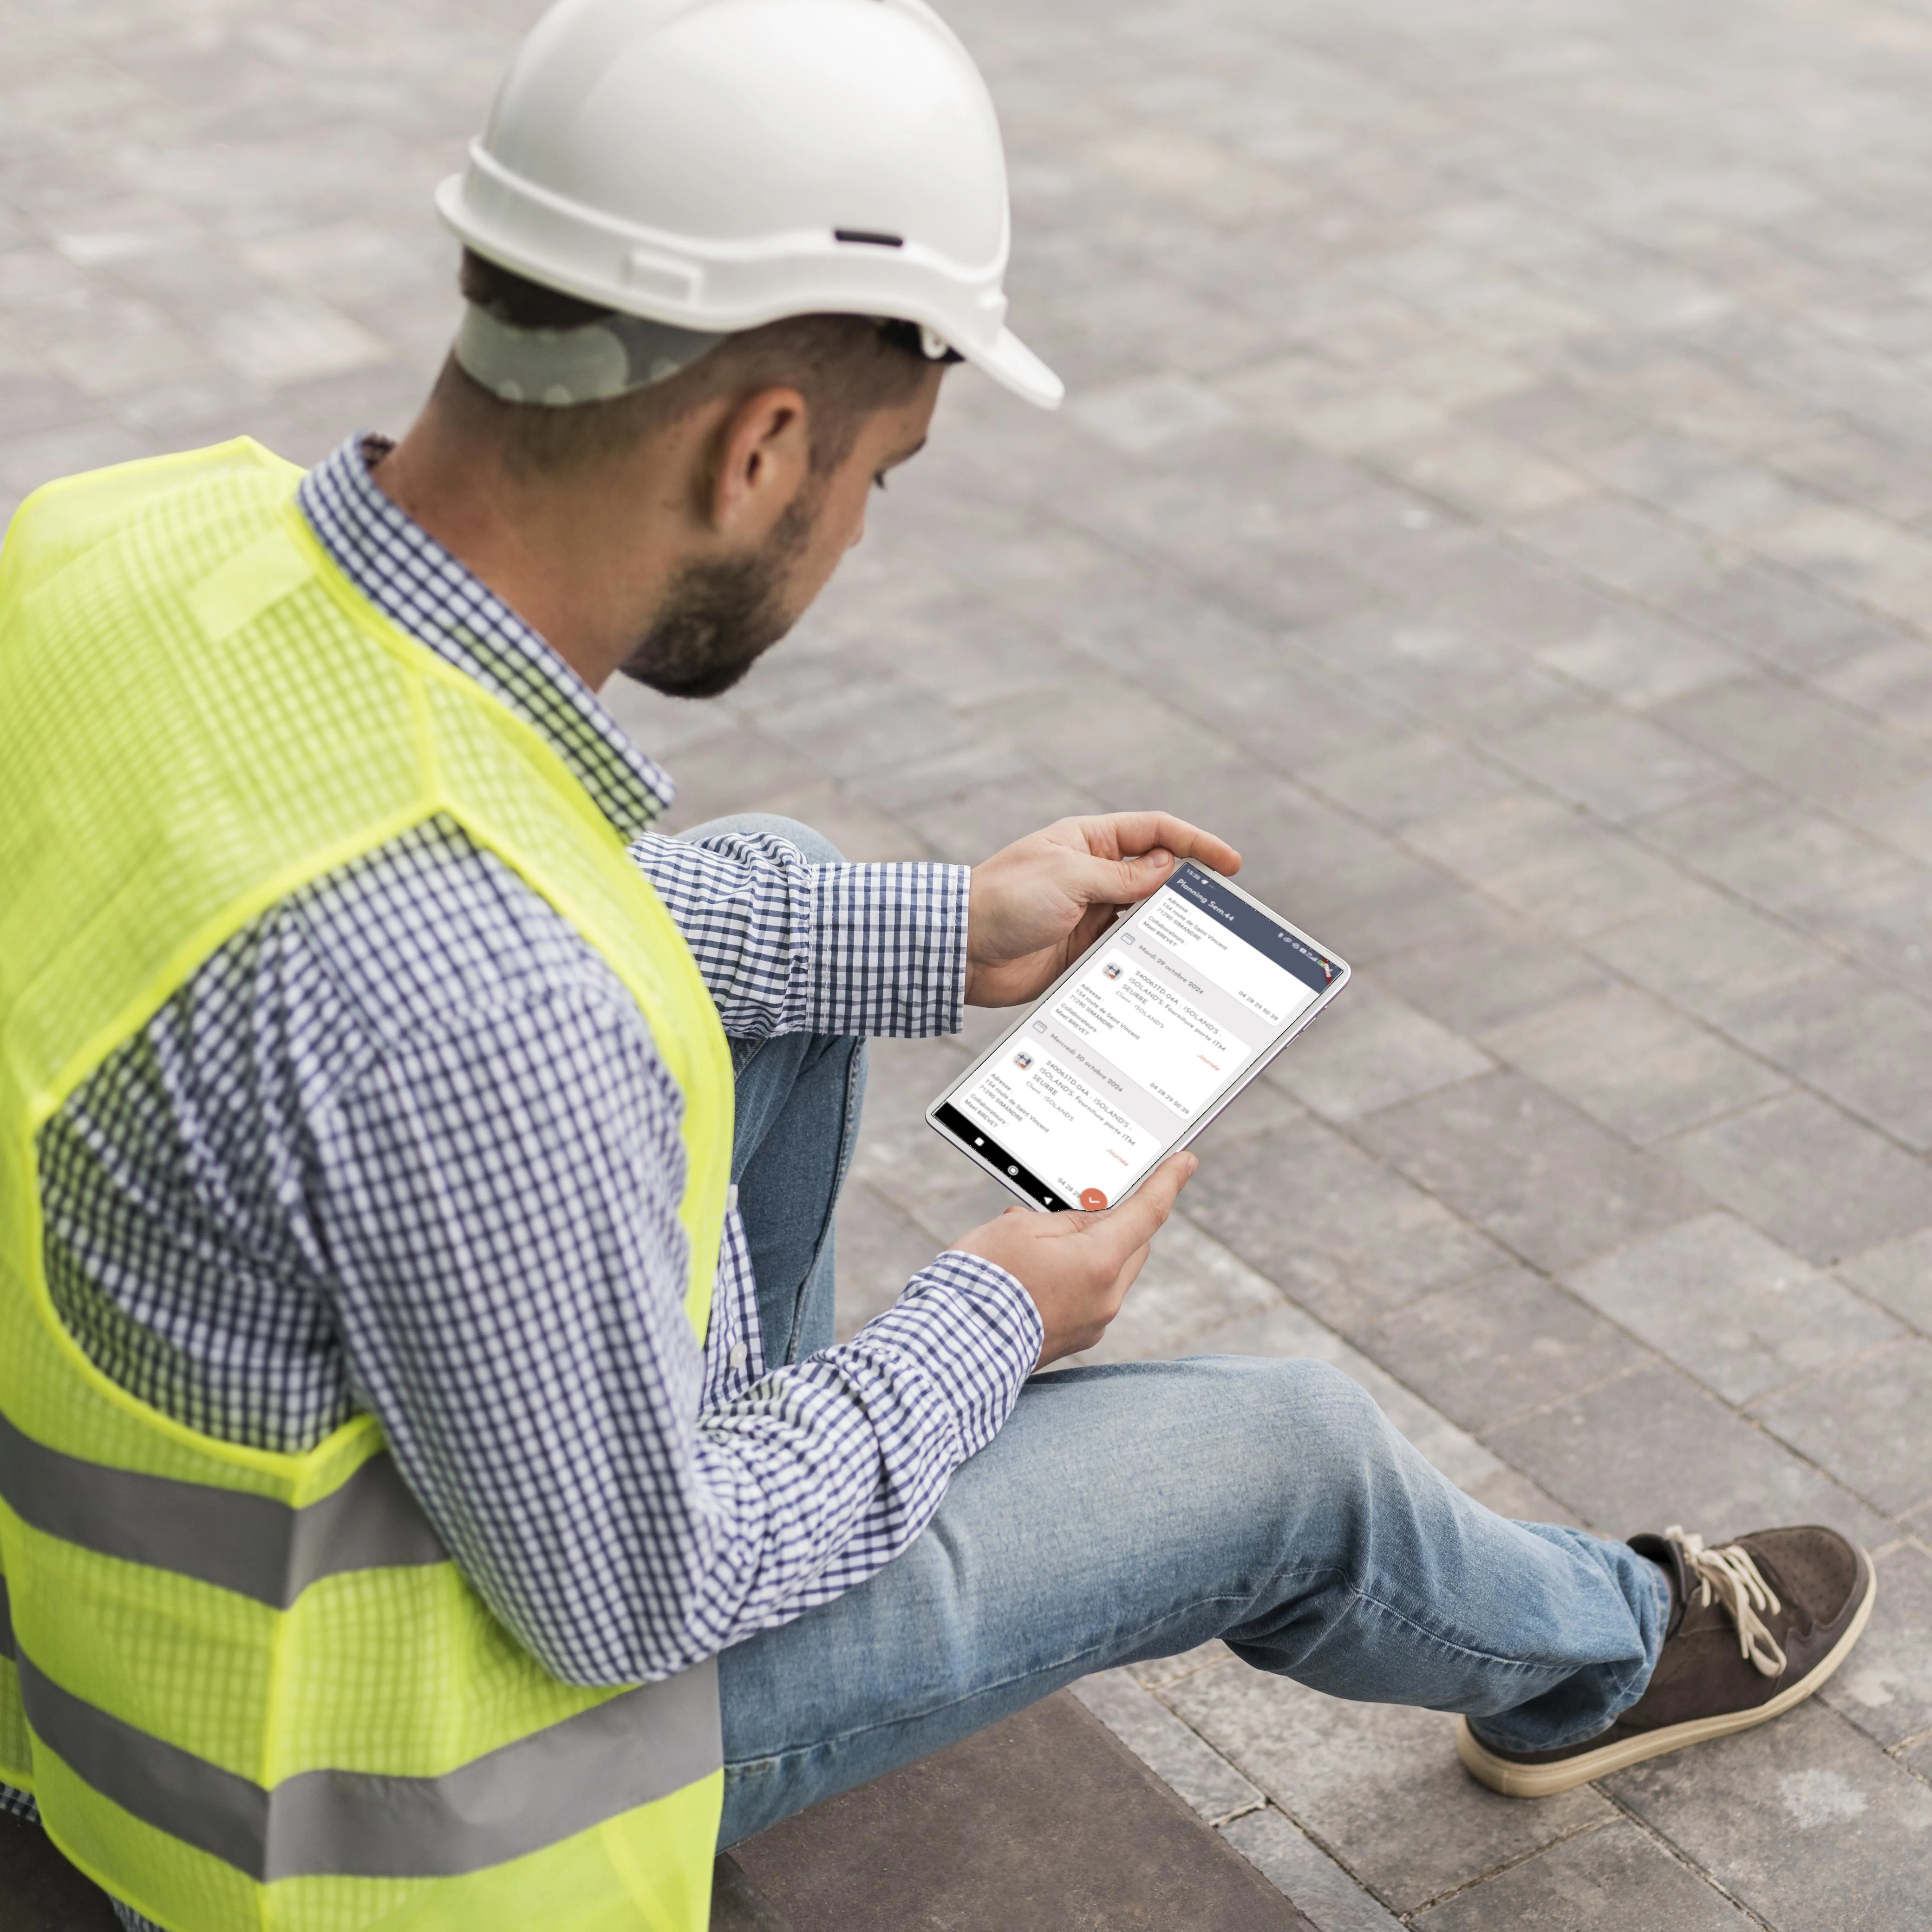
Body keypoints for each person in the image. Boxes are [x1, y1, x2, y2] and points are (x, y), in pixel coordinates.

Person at [0, 1, 1874, 1926]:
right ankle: (1612, 1647)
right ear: (761, 448)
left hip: (145, 1625)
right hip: (401, 1812)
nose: (854, 530)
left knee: (780, 893)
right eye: (878, 479)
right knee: (1280, 1453)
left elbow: (404, 938)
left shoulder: (119, 550)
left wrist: (935, 926)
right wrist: (990, 1316)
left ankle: (839, 1514)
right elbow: (638, 1582)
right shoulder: (477, 1001)